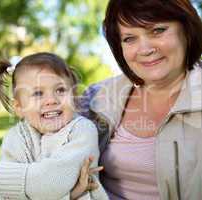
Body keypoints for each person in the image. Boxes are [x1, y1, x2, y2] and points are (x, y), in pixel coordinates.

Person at [77, 0, 202, 199]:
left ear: (186, 30)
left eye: (157, 30)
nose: (145, 49)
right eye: (129, 38)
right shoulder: (97, 97)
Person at [0, 52, 108, 200]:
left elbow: (51, 184)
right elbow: (9, 197)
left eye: (60, 90)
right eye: (38, 93)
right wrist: (72, 194)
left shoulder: (82, 130)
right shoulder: (16, 136)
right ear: (19, 107)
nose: (51, 100)